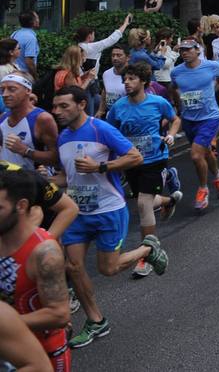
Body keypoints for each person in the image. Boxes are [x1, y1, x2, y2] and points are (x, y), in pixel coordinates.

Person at [52, 86, 168, 349]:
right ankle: (96, 320)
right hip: (78, 213)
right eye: (55, 107)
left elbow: (135, 156)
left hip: (108, 209)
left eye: (63, 106)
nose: (57, 111)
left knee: (108, 268)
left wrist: (101, 166)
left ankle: (147, 249)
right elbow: (67, 176)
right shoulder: (62, 137)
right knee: (73, 266)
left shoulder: (100, 129)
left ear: (82, 104)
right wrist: (43, 180)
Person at [103, 62, 181, 276]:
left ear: (144, 81)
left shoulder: (158, 102)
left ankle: (148, 254)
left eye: (131, 79)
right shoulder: (118, 107)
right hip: (132, 162)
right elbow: (111, 132)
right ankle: (169, 200)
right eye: (125, 79)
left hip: (156, 159)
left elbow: (175, 120)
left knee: (143, 204)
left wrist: (171, 135)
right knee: (144, 199)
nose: (126, 83)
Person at [0, 167, 72, 370]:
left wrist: (8, 326)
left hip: (44, 353)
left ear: (21, 206)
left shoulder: (45, 252)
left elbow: (59, 314)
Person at [168, 38, 219, 211]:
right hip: (189, 119)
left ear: (198, 50)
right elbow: (173, 88)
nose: (184, 53)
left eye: (188, 49)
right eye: (182, 50)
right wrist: (178, 106)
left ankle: (203, 189)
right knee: (205, 152)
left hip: (209, 117)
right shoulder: (176, 72)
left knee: (196, 155)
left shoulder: (211, 66)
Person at [2, 73, 59, 170]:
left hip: (31, 183)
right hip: (5, 182)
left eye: (12, 89)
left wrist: (25, 151)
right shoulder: (3, 118)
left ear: (28, 90)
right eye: (2, 90)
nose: (5, 94)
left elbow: (56, 159)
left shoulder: (42, 119)